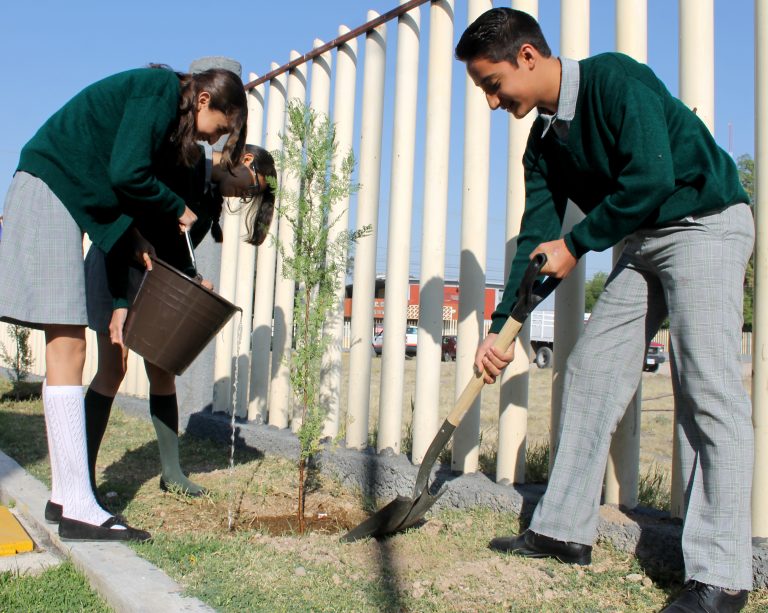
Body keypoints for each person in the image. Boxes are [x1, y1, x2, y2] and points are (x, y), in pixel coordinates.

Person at [456, 8, 753, 613]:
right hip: (640, 240)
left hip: (705, 222)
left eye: (492, 84)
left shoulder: (614, 80)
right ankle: (563, 531)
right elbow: (537, 244)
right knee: (591, 371)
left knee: (706, 387)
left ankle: (721, 578)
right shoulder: (542, 147)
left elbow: (652, 174)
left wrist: (576, 243)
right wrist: (500, 332)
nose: (491, 102)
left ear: (529, 58)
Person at [0, 65, 249, 541]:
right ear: (202, 101)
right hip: (53, 186)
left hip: (66, 194)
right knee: (68, 347)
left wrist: (129, 265)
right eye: (219, 127)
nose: (213, 141)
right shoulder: (158, 91)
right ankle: (76, 503)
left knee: (66, 349)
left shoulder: (162, 109)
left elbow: (116, 193)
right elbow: (125, 173)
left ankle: (65, 496)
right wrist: (176, 207)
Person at [43, 144, 275, 517]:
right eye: (251, 187)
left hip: (155, 274)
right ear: (245, 161)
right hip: (118, 259)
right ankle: (79, 479)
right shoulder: (186, 161)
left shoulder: (208, 196)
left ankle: (171, 472)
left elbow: (176, 244)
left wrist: (195, 278)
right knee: (113, 368)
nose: (244, 195)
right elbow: (130, 194)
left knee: (161, 368)